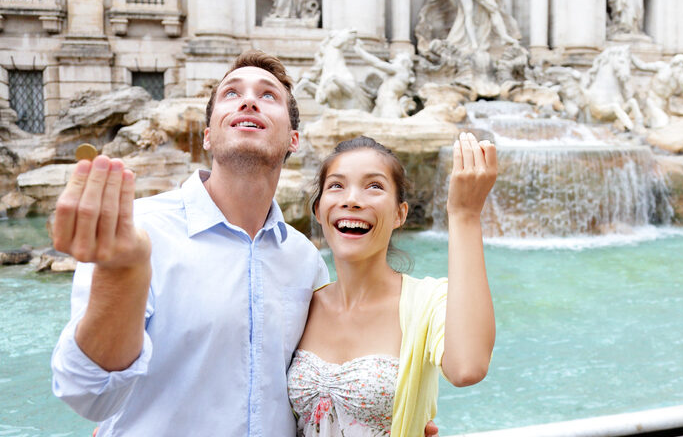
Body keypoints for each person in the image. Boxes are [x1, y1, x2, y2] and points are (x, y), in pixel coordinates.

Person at [49, 50, 437, 436]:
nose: (249, 100)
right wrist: (121, 274)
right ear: (208, 135)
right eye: (231, 93)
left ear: (293, 139)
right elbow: (89, 396)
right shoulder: (137, 233)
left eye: (268, 96)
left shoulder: (306, 262)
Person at [288, 132, 497, 436]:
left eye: (374, 186)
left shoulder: (429, 301)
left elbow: (468, 367)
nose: (352, 200)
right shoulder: (300, 303)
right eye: (336, 185)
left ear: (400, 214)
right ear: (318, 210)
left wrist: (465, 215)